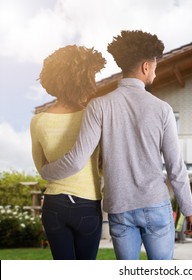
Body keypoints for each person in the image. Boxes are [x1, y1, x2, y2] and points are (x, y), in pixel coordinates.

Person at [40, 30, 192, 260]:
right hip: (156, 205)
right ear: (146, 67)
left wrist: (47, 170)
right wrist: (189, 210)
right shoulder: (162, 109)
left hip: (120, 209)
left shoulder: (98, 106)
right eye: (155, 65)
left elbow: (77, 160)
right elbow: (176, 167)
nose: (155, 70)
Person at [30, 45, 106, 259]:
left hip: (54, 205)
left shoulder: (38, 121)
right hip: (87, 204)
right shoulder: (92, 116)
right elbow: (101, 165)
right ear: (84, 79)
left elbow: (42, 167)